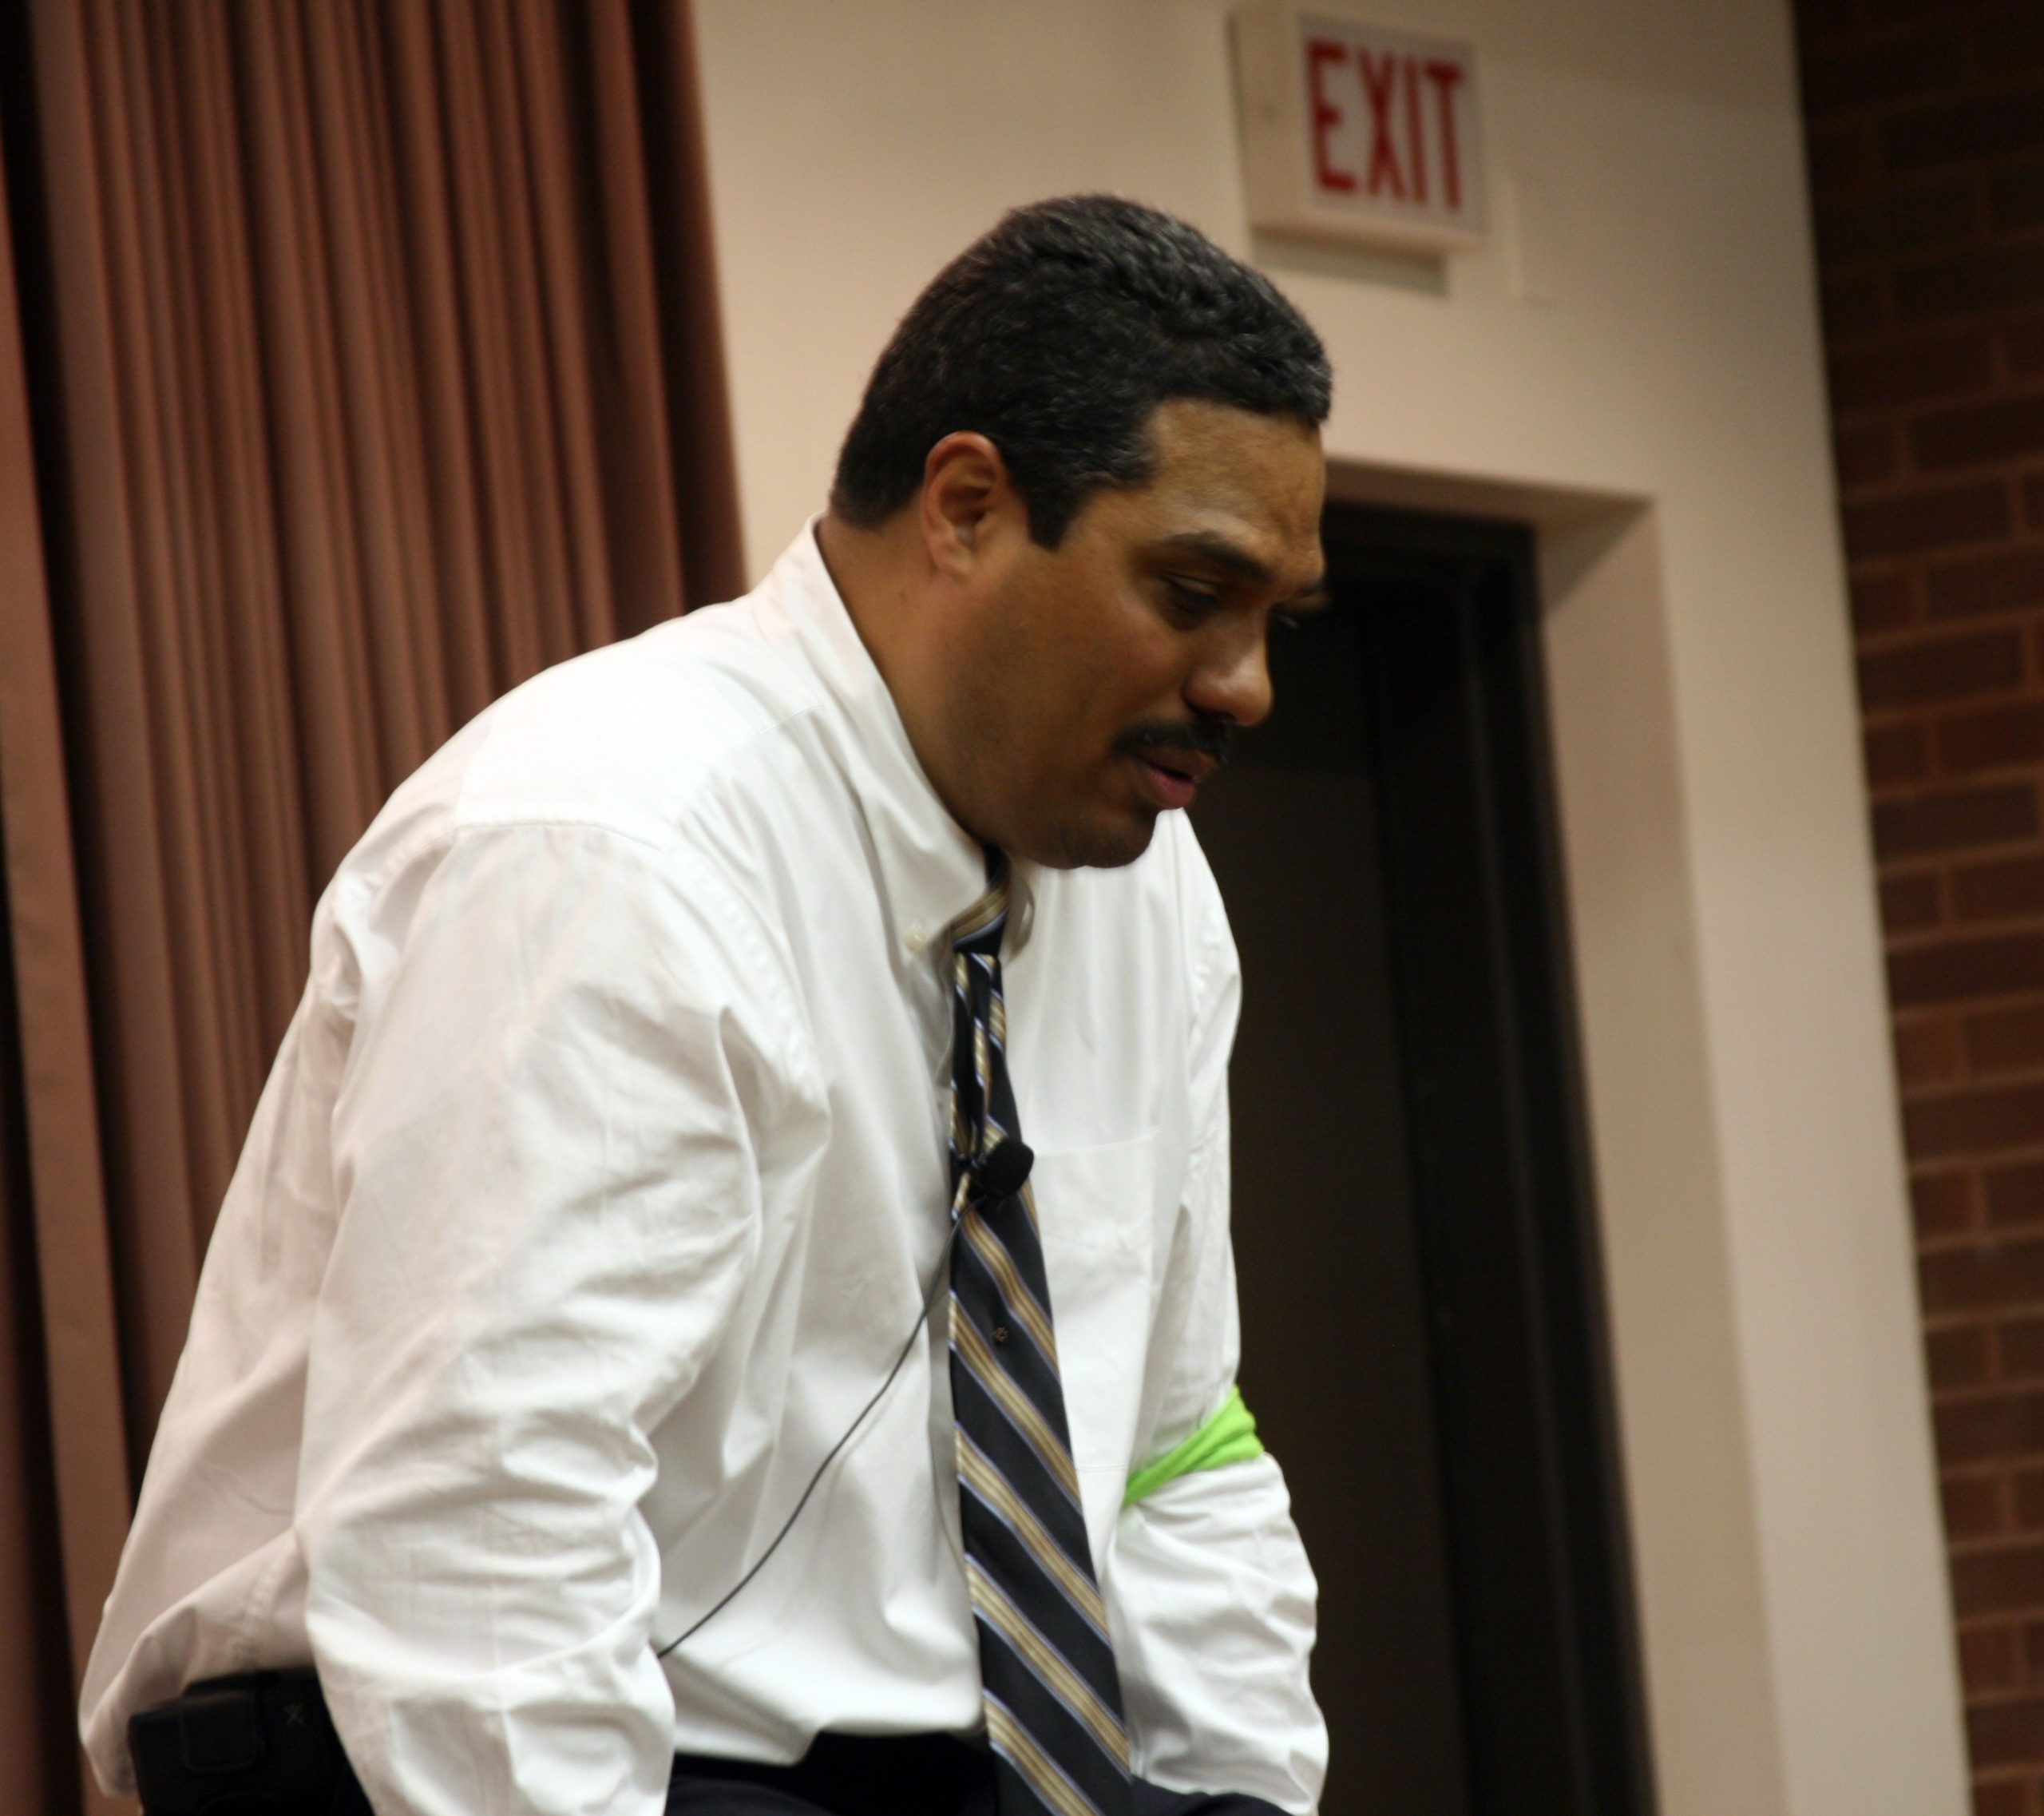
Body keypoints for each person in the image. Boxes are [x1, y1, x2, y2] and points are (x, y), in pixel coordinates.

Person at [81, 195, 1333, 1816]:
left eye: (1272, 621)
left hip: (914, 1770)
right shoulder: (611, 844)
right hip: (432, 1747)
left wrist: (1249, 1797)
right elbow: (479, 1543)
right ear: (964, 507)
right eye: (1191, 592)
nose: (1245, 685)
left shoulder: (1148, 894)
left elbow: (1174, 1448)